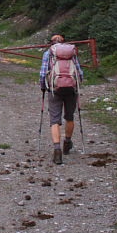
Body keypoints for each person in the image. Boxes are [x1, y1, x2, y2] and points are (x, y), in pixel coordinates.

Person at [39, 34, 83, 165]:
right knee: (69, 117)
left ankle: (57, 150)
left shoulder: (48, 54)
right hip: (71, 89)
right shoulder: (71, 53)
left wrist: (43, 87)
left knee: (54, 120)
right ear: (64, 42)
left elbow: (42, 74)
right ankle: (67, 142)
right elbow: (79, 73)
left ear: (51, 43)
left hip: (55, 90)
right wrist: (77, 85)